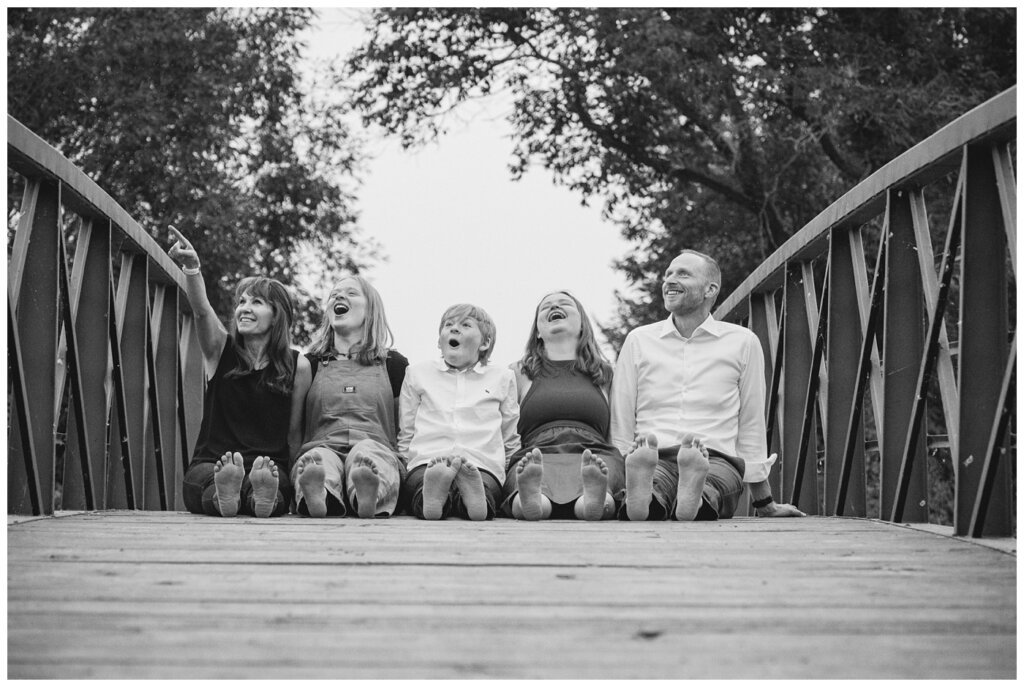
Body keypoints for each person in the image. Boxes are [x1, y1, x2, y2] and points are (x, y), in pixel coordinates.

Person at [609, 250, 804, 521]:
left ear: (710, 289)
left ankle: (683, 497)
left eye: (683, 274)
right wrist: (625, 465)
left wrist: (765, 501)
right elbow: (622, 418)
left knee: (711, 483)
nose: (670, 280)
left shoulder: (742, 342)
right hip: (653, 455)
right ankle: (653, 497)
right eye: (668, 274)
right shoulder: (639, 340)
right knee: (655, 484)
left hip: (715, 458)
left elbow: (751, 423)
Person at [170, 226, 311, 518]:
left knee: (270, 483)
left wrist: (296, 487)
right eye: (241, 302)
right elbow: (201, 311)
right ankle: (227, 495)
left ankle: (252, 495)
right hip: (212, 462)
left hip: (267, 468)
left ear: (276, 317)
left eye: (256, 302)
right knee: (207, 482)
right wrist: (192, 269)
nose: (244, 309)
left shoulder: (298, 365)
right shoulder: (221, 351)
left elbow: (294, 434)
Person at [291, 275, 409, 518]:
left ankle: (368, 495)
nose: (339, 296)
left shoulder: (393, 365)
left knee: (367, 454)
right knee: (317, 460)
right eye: (334, 294)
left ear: (371, 310)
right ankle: (319, 495)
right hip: (323, 444)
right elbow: (295, 427)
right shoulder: (309, 364)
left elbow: (404, 427)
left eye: (351, 293)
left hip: (376, 446)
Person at [502, 291, 624, 521]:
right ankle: (531, 501)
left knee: (602, 477)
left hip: (594, 454)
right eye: (546, 307)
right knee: (527, 478)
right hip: (536, 454)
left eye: (564, 303)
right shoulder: (518, 372)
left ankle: (593, 501)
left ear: (582, 325)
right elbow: (506, 427)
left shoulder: (607, 374)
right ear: (538, 331)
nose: (554, 306)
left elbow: (616, 428)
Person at [398, 304, 520, 521]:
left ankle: (475, 504)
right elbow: (406, 431)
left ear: (485, 343)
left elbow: (509, 434)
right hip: (428, 460)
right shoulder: (417, 373)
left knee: (485, 486)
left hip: (481, 463)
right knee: (419, 483)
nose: (454, 329)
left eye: (465, 325)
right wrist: (406, 465)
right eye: (448, 325)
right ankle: (432, 501)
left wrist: (509, 472)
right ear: (439, 341)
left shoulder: (503, 377)